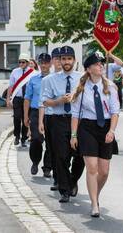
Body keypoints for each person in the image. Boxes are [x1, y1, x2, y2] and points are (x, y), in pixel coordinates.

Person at [71, 51, 120, 217]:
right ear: (89, 69)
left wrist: (112, 130)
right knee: (92, 168)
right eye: (97, 64)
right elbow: (76, 114)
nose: (101, 66)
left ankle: (95, 194)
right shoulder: (81, 88)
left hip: (106, 127)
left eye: (101, 64)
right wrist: (73, 135)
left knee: (104, 171)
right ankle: (94, 204)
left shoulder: (111, 87)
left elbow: (115, 112)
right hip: (87, 128)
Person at [41, 46, 85, 203]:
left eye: (69, 59)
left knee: (80, 154)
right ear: (59, 60)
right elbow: (45, 101)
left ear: (74, 60)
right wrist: (60, 100)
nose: (66, 62)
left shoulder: (82, 78)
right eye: (63, 59)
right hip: (58, 120)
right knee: (61, 156)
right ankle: (64, 190)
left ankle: (73, 180)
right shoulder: (49, 80)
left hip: (78, 120)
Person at [24, 53, 52, 177]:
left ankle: (47, 167)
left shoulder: (55, 78)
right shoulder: (33, 79)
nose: (44, 65)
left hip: (51, 112)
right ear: (39, 64)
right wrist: (26, 116)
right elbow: (27, 99)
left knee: (51, 142)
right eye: (41, 62)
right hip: (35, 112)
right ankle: (35, 161)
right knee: (36, 139)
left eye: (46, 62)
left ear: (50, 63)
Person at [39, 47, 63, 191]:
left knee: (66, 151)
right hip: (50, 117)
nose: (59, 61)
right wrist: (40, 121)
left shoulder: (73, 77)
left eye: (62, 58)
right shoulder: (48, 79)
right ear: (52, 61)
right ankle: (57, 179)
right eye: (57, 58)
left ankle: (65, 176)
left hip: (67, 118)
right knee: (53, 149)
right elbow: (42, 102)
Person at [7, 53, 35, 147]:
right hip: (17, 98)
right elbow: (11, 86)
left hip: (27, 99)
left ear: (27, 63)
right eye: (19, 62)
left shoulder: (32, 73)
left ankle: (24, 138)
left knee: (25, 119)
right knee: (17, 117)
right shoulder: (15, 72)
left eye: (23, 62)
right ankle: (17, 136)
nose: (21, 64)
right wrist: (8, 99)